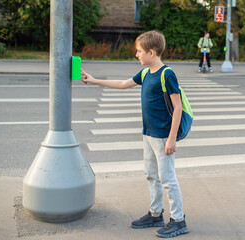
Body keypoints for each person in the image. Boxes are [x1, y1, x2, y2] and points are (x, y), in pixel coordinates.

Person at [81, 30, 188, 238]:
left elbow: (178, 108)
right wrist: (94, 81)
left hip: (163, 136)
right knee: (151, 174)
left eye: (139, 51)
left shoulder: (167, 74)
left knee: (167, 178)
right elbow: (123, 85)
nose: (136, 55)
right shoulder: (146, 73)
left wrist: (172, 138)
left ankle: (178, 220)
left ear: (151, 52)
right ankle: (156, 213)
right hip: (148, 133)